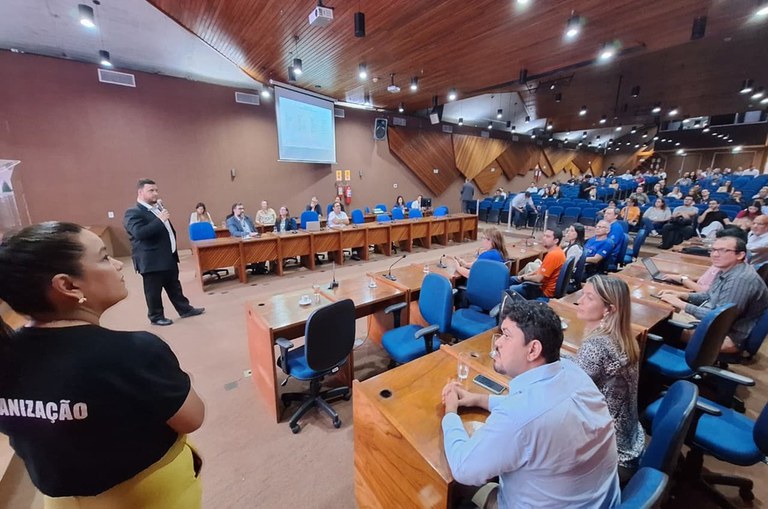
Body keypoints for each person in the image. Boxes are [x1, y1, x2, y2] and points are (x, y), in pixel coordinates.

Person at [0, 222, 204, 507]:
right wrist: (183, 378)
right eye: (104, 257)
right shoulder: (133, 352)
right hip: (147, 496)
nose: (118, 266)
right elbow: (192, 417)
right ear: (68, 285)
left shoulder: (6, 352)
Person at [440, 300, 620, 508]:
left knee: (457, 494)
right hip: (600, 500)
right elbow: (538, 411)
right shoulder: (573, 372)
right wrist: (480, 399)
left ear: (533, 350)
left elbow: (464, 469)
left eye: (506, 336)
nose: (497, 343)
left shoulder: (518, 415)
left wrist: (450, 412)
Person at [574, 275, 643, 482]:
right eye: (582, 294)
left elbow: (563, 397)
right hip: (630, 442)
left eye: (589, 297)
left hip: (611, 457)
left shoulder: (597, 345)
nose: (580, 301)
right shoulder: (622, 336)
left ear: (609, 309)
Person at [659, 236, 768, 353]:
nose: (715, 254)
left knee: (659, 327)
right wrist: (681, 295)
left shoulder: (740, 279)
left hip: (726, 337)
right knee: (666, 317)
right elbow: (709, 296)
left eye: (723, 250)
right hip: (718, 327)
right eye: (714, 250)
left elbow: (720, 318)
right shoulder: (726, 269)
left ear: (740, 255)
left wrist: (682, 305)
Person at [124, 179, 204, 326]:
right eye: (151, 191)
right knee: (153, 291)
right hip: (151, 260)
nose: (155, 193)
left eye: (156, 190)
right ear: (140, 192)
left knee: (174, 286)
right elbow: (139, 233)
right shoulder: (133, 212)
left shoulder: (156, 208)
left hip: (167, 256)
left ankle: (185, 309)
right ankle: (156, 316)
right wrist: (159, 220)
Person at [508, 228, 566, 300]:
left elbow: (538, 279)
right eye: (544, 235)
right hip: (541, 287)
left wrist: (524, 278)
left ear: (556, 241)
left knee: (508, 289)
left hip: (543, 292)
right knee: (513, 279)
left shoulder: (553, 255)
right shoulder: (558, 251)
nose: (544, 238)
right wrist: (526, 275)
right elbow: (540, 270)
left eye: (547, 237)